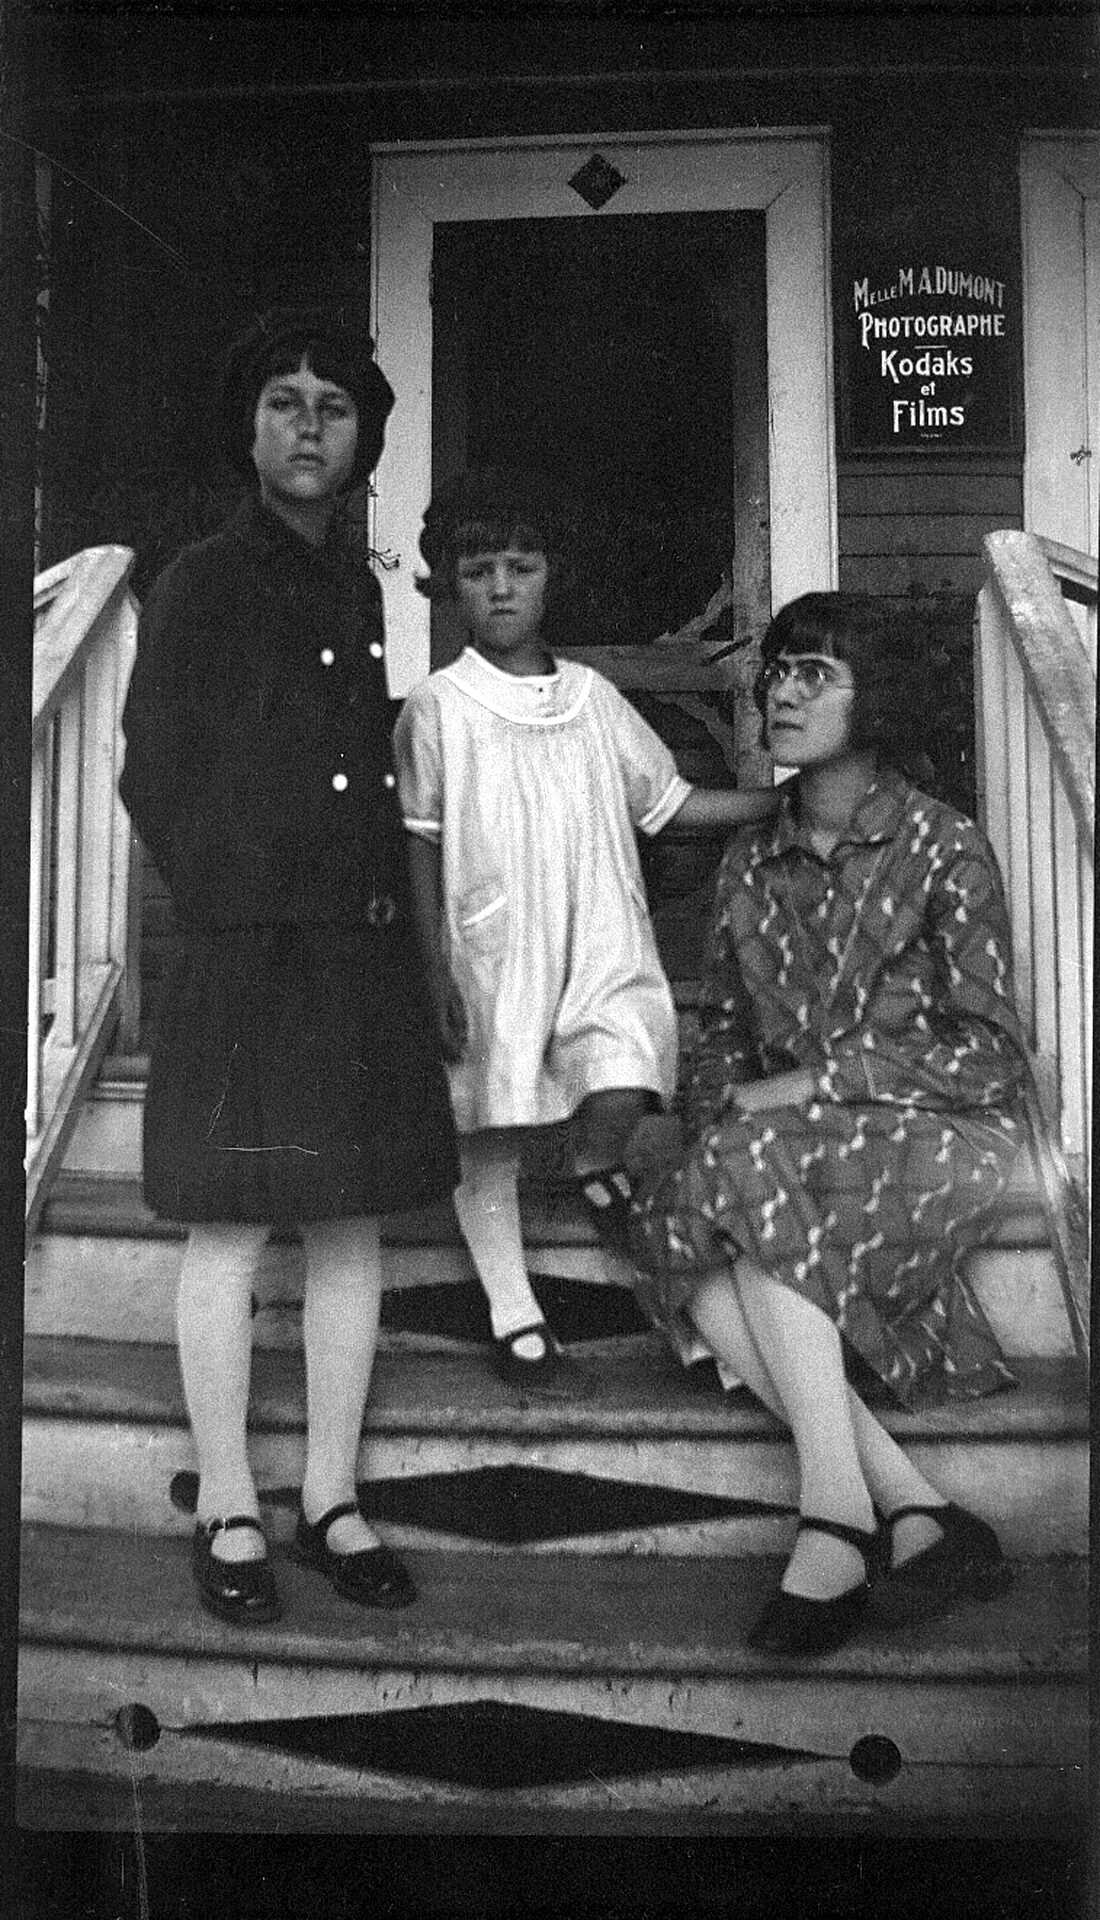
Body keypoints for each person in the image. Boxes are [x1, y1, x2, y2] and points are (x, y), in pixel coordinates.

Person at [596, 591, 1027, 1656]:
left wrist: (814, 1087)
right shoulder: (752, 860)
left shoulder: (940, 848)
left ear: (871, 699)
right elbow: (724, 1048)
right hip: (782, 1156)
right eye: (776, 671)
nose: (779, 693)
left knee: (737, 1177)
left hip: (936, 1137)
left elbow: (987, 1054)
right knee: (684, 1197)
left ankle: (836, 1520)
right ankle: (911, 1506)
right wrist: (703, 1124)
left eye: (812, 676)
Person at [119, 310, 459, 1627]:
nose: (308, 423)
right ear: (249, 430)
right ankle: (226, 1502)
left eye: (333, 405)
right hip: (250, 947)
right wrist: (235, 907)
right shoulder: (201, 578)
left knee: (351, 1219)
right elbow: (157, 764)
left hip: (358, 945)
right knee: (230, 1220)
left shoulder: (355, 585)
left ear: (366, 438)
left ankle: (331, 1497)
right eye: (284, 402)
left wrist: (404, 937)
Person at [393, 466, 779, 1390]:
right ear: (448, 582)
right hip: (491, 945)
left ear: (551, 578)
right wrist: (434, 969)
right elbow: (416, 846)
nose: (498, 588)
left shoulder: (596, 698)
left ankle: (598, 1161)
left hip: (598, 936)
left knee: (624, 1070)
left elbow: (673, 803)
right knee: (491, 1118)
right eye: (478, 569)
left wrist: (775, 802)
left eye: (520, 568)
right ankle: (512, 1306)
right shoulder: (438, 707)